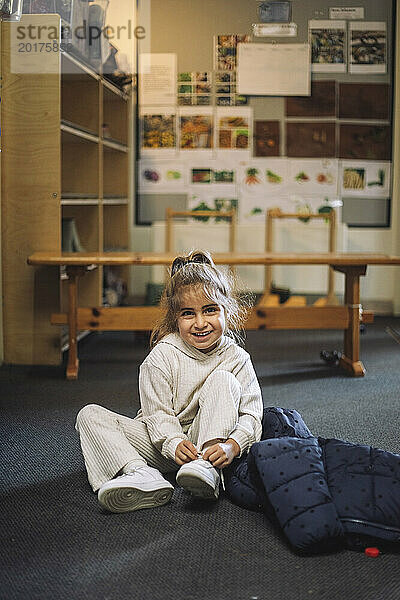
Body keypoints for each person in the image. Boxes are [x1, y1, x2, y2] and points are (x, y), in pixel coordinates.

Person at [75, 250, 263, 513]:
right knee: (89, 415)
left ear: (227, 312)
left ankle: (206, 471)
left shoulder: (237, 358)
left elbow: (253, 415)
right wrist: (173, 443)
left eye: (210, 310)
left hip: (208, 448)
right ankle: (141, 474)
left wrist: (232, 446)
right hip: (161, 444)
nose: (200, 323)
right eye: (188, 314)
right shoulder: (162, 356)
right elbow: (156, 414)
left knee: (223, 380)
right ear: (175, 318)